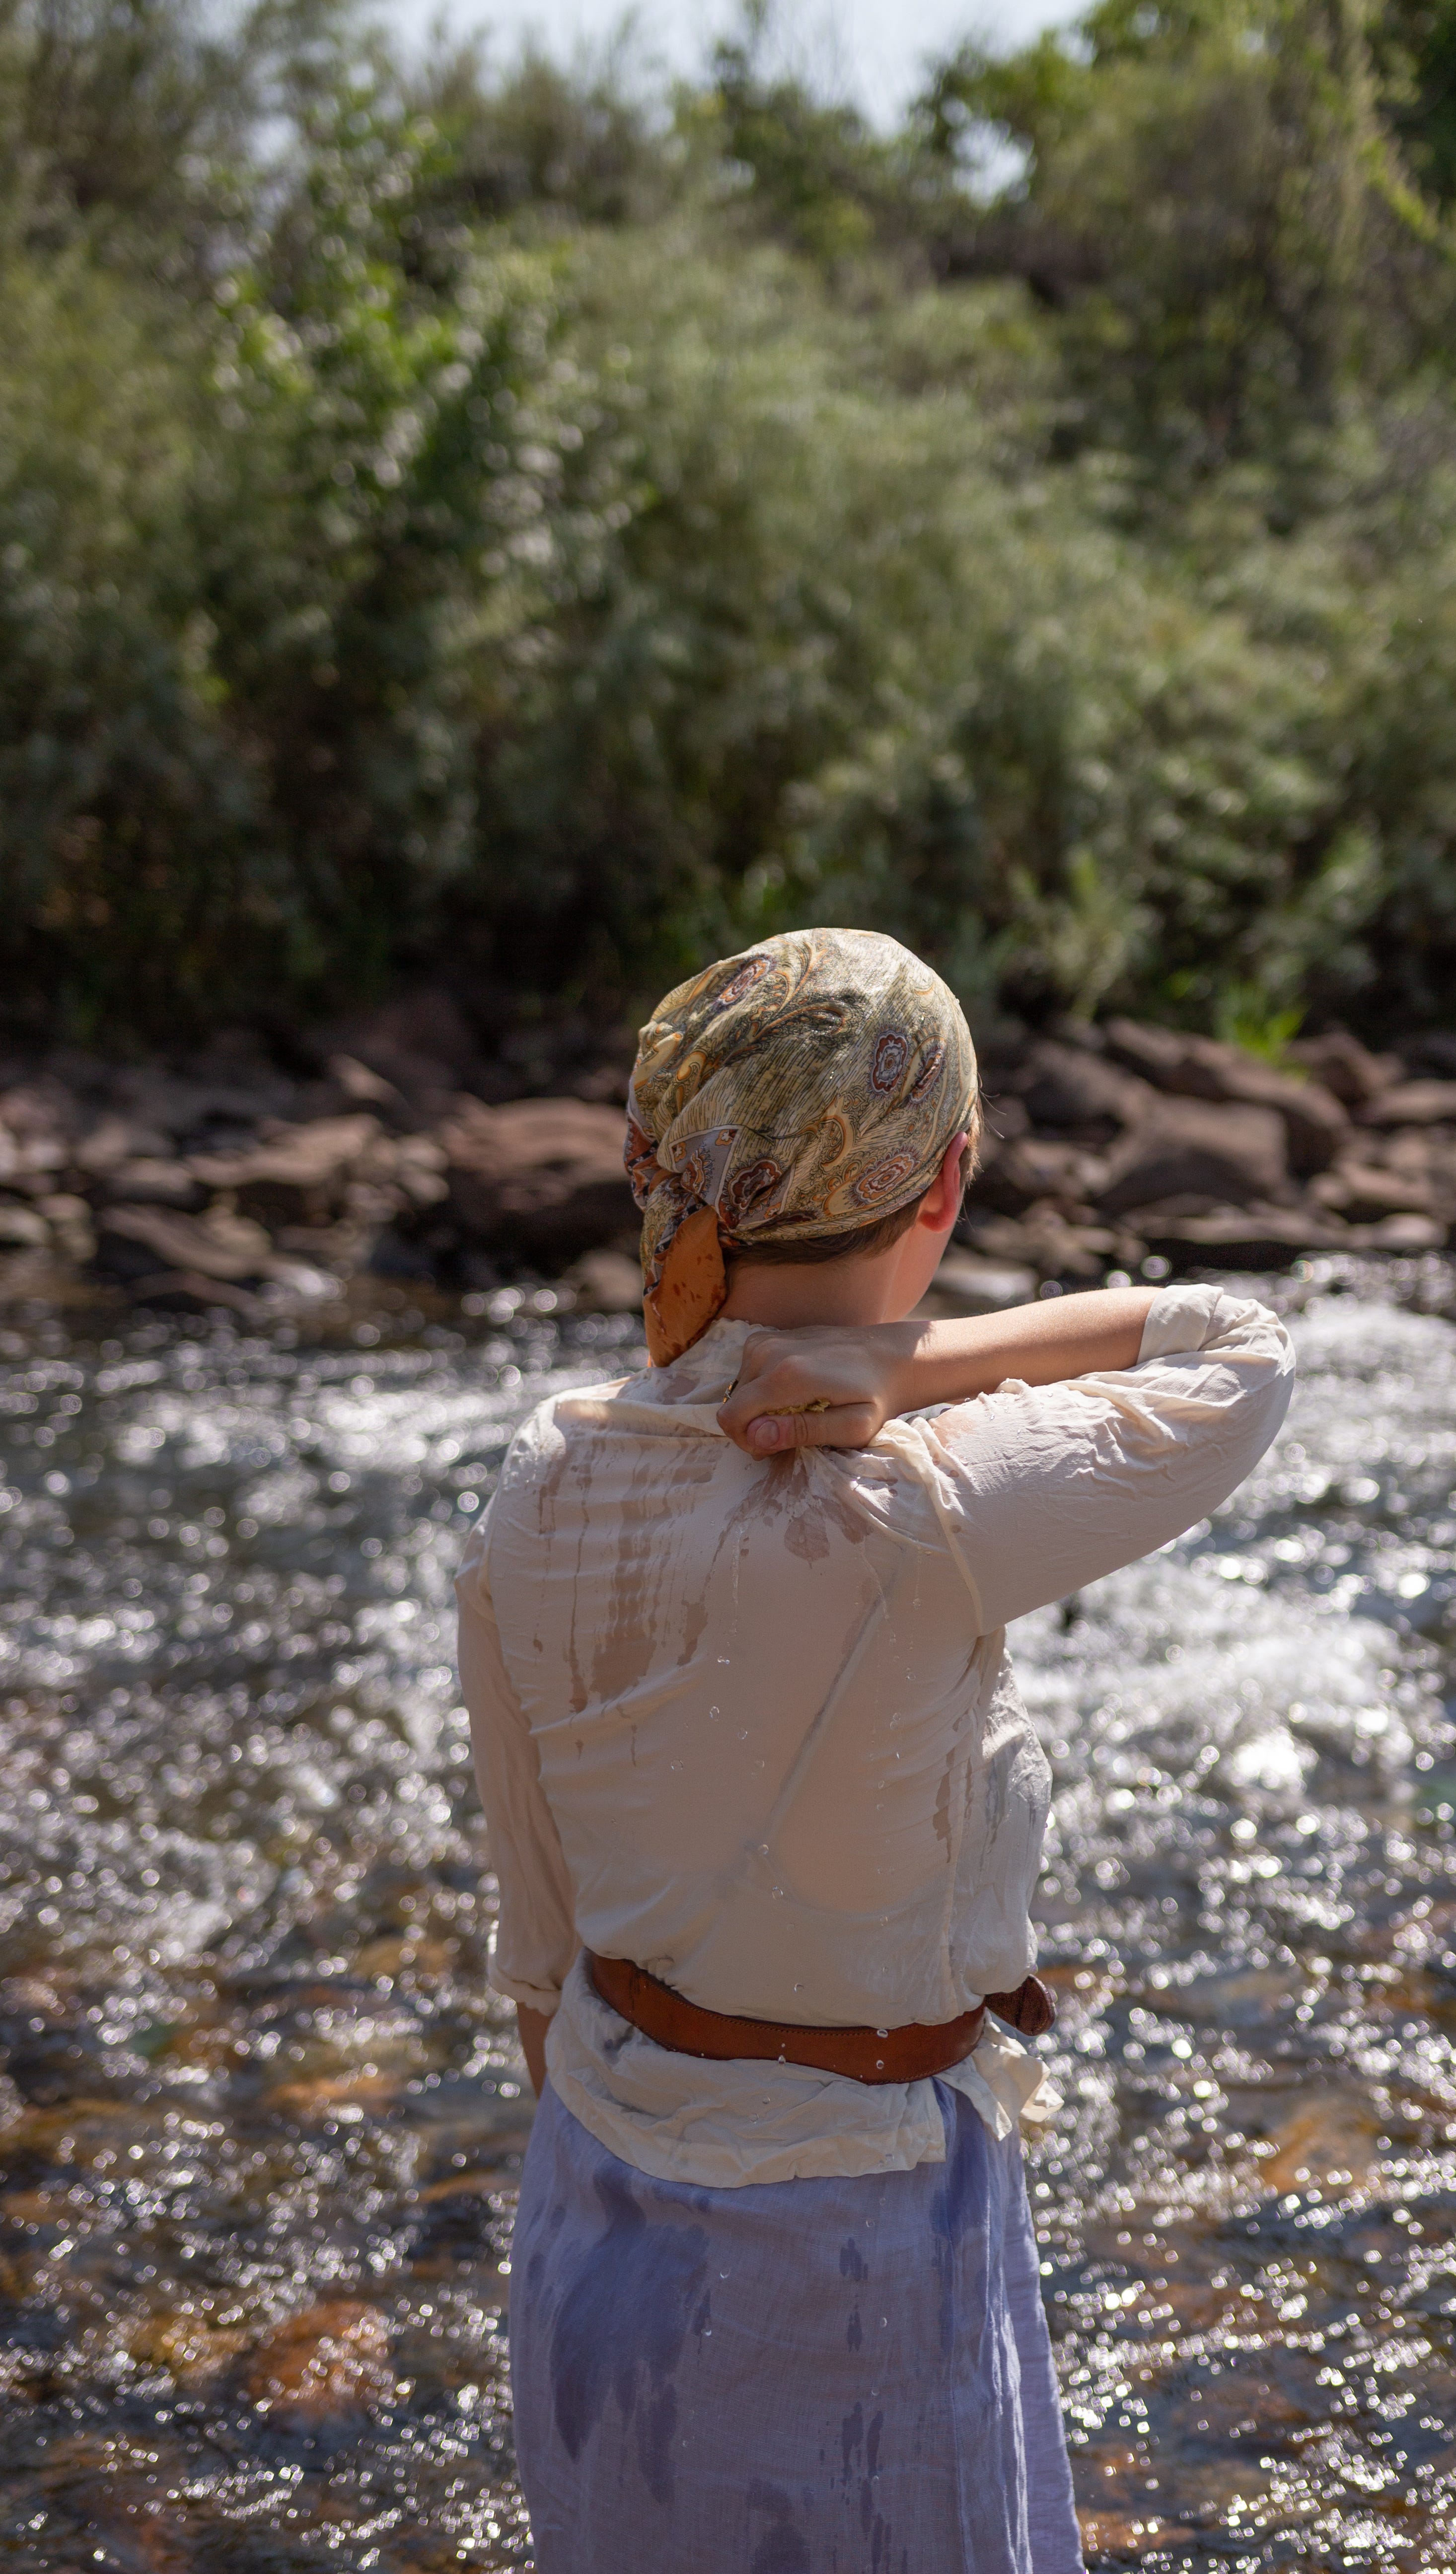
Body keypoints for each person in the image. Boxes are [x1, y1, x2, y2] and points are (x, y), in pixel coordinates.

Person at [456, 927, 1294, 2572]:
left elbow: (532, 1949)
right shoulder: (925, 1497)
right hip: (853, 2257)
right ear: (947, 1180)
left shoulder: (537, 1473)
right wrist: (912, 1363)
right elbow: (1236, 1349)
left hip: (594, 2225)